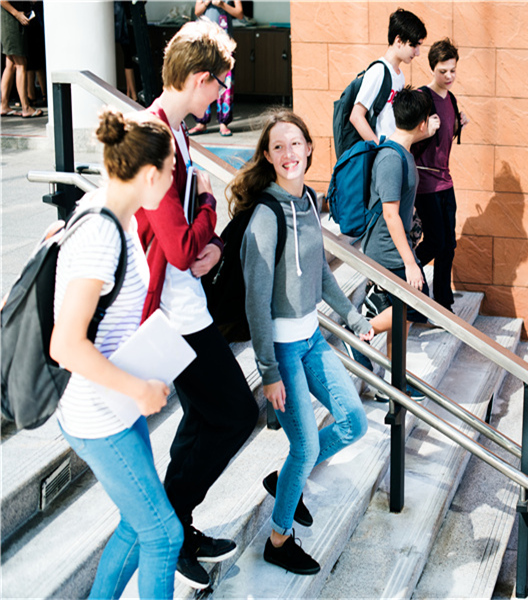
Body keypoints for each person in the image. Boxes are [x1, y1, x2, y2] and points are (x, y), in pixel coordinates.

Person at [135, 20, 258, 590]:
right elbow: (181, 247)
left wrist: (203, 243)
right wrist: (208, 210)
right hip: (170, 314)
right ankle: (167, 522)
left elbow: (187, 248)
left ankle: (175, 523)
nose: (220, 96)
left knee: (209, 416)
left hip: (186, 307)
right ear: (199, 78)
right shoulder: (156, 139)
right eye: (218, 86)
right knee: (235, 414)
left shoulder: (176, 134)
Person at [229, 109, 373, 575]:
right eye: (278, 147)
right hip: (283, 353)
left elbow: (319, 274)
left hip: (312, 340)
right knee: (305, 447)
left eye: (296, 144)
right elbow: (255, 302)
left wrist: (351, 316)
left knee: (353, 421)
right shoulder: (267, 217)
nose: (289, 154)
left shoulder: (310, 201)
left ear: (310, 148)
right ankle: (278, 538)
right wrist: (268, 372)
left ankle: (284, 478)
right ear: (268, 158)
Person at [51, 108, 182, 600]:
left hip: (114, 407)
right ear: (150, 175)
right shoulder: (102, 232)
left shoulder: (110, 212)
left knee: (139, 524)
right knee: (163, 535)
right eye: (170, 173)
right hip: (97, 412)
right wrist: (139, 387)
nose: (172, 183)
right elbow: (65, 344)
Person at [360, 87, 438, 400]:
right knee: (416, 304)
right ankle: (363, 330)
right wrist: (409, 262)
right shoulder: (391, 158)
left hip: (396, 244)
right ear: (420, 124)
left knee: (402, 319)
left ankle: (393, 384)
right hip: (386, 248)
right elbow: (390, 214)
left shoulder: (402, 152)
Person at [411, 38, 468, 312]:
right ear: (432, 68)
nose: (448, 76)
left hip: (446, 180)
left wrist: (458, 123)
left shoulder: (452, 100)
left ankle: (444, 303)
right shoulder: (423, 97)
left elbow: (446, 135)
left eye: (453, 71)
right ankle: (404, 272)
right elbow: (407, 137)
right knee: (435, 241)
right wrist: (425, 130)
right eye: (443, 71)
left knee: (449, 245)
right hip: (425, 182)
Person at [349, 8, 426, 143]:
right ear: (398, 40)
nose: (417, 52)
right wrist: (379, 147)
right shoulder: (378, 71)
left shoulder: (399, 76)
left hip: (393, 149)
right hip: (381, 154)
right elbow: (356, 116)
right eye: (414, 45)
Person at [187, 0, 243, 137]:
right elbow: (197, 11)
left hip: (225, 46)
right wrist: (207, 3)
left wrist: (223, 5)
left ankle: (223, 123)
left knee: (226, 84)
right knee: (202, 82)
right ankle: (201, 122)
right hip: (205, 44)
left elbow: (240, 13)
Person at [0, 1, 42, 117]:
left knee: (11, 64)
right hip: (12, 23)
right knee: (21, 64)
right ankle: (26, 107)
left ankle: (4, 105)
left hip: (9, 22)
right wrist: (17, 14)